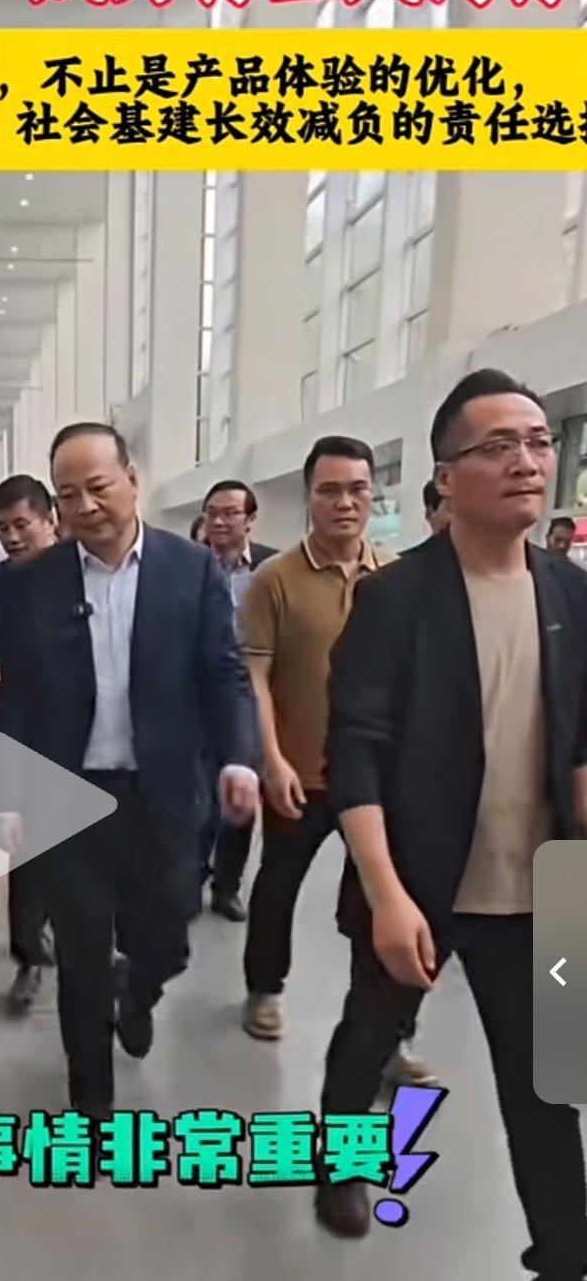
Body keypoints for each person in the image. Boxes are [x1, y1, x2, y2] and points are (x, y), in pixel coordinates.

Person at [316, 369, 587, 1281]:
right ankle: (344, 1158)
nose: (527, 460)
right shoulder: (397, 599)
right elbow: (357, 752)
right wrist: (386, 893)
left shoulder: (571, 594)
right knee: (371, 1033)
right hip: (420, 881)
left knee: (550, 1096)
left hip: (547, 894)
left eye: (538, 440)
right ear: (446, 476)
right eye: (498, 445)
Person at [0, 422, 258, 1123]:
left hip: (160, 792)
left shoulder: (189, 568)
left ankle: (139, 992)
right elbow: (15, 697)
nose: (84, 506)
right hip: (65, 792)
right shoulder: (29, 583)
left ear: (132, 481)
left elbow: (223, 674)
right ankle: (93, 1105)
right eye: (68, 494)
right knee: (80, 954)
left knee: (167, 935)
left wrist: (239, 757)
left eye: (98, 487)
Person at [239, 436, 383, 1043]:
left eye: (357, 489)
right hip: (298, 772)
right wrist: (271, 759)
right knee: (277, 887)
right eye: (330, 491)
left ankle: (383, 1021)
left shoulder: (394, 577)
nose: (344, 503)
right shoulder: (275, 580)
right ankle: (264, 989)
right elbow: (255, 678)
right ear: (308, 497)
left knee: (376, 898)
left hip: (373, 779)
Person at [0, 474, 58, 1013]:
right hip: (21, 732)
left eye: (21, 525)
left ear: (49, 520)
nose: (12, 537)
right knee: (25, 852)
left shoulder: (80, 573)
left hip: (86, 735)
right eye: (2, 529)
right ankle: (28, 955)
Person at [195, 479, 276, 919]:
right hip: (200, 697)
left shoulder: (270, 569)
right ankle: (191, 876)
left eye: (229, 513)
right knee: (198, 794)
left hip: (251, 699)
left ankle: (227, 885)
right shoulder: (188, 565)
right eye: (212, 513)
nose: (219, 522)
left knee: (242, 795)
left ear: (251, 519)